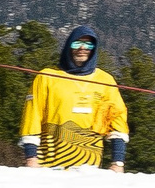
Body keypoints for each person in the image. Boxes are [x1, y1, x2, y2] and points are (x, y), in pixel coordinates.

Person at [20, 24, 128, 171]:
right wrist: (31, 157)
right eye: (77, 43)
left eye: (88, 44)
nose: (82, 48)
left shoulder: (106, 80)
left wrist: (118, 162)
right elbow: (32, 116)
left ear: (94, 48)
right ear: (68, 46)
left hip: (90, 169)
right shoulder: (46, 77)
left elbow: (117, 121)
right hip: (49, 166)